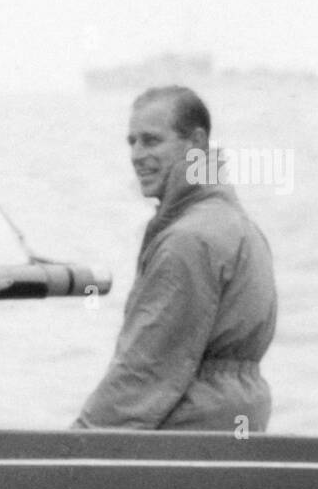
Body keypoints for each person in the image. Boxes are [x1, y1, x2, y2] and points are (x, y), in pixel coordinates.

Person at [74, 86, 277, 431]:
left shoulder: (187, 241)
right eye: (131, 142)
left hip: (186, 433)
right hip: (236, 426)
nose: (137, 155)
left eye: (151, 141)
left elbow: (144, 372)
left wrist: (74, 449)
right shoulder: (241, 226)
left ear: (195, 143)